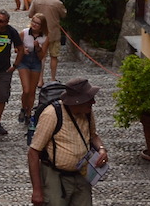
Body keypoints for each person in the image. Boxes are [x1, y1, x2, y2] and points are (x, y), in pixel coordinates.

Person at [27, 77, 108, 206]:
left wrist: (102, 149)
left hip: (81, 174)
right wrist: (37, 190)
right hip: (56, 177)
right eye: (89, 99)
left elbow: (93, 136)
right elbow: (33, 152)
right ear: (77, 101)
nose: (93, 102)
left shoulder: (87, 112)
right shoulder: (52, 114)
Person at [28, 0, 68, 82]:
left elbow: (30, 14)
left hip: (40, 33)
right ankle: (53, 78)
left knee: (41, 57)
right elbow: (64, 15)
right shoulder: (57, 3)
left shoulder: (37, 0)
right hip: (54, 33)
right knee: (54, 56)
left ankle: (40, 80)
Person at [17, 12, 48, 124]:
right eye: (33, 22)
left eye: (37, 23)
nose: (34, 25)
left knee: (32, 91)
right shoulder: (24, 33)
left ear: (42, 26)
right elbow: (16, 48)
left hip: (35, 62)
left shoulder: (45, 38)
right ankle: (23, 107)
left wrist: (38, 48)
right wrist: (22, 50)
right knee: (26, 89)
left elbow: (41, 56)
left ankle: (28, 113)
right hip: (24, 62)